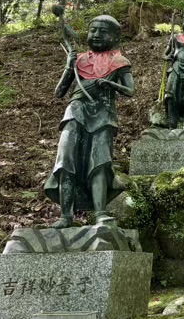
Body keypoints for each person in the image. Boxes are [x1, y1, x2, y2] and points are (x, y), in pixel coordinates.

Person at [45, 15, 134, 228]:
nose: (96, 35)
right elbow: (59, 93)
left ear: (115, 37)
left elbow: (131, 91)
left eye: (103, 31)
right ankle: (66, 215)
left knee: (100, 161)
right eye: (93, 30)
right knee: (66, 159)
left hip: (104, 114)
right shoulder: (79, 60)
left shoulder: (119, 61)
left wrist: (110, 84)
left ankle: (101, 211)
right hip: (75, 111)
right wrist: (69, 66)